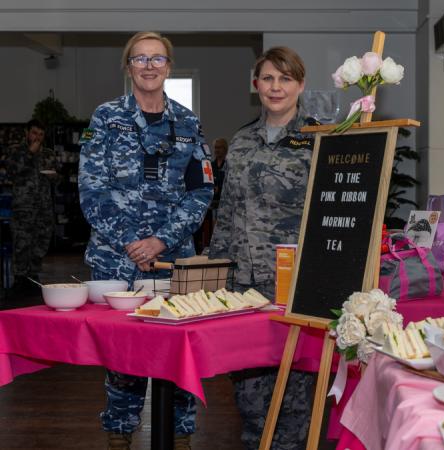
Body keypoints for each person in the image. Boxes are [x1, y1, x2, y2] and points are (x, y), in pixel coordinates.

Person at [78, 31, 213, 450]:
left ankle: (182, 436)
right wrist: (135, 241)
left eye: (158, 59)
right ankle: (119, 433)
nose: (150, 66)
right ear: (129, 66)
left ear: (169, 67)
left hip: (174, 261)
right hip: (116, 261)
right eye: (140, 59)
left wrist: (161, 240)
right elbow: (91, 190)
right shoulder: (106, 118)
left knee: (179, 349)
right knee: (123, 355)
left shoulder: (188, 123)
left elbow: (202, 190)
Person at [207, 46, 319, 450]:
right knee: (249, 390)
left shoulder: (318, 140)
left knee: (294, 390)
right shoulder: (240, 142)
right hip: (244, 287)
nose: (276, 87)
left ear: (300, 85)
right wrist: (216, 272)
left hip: (295, 286)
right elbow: (227, 212)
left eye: (285, 79)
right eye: (268, 78)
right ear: (256, 85)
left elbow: (328, 215)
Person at [5, 119, 57, 292]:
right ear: (27, 132)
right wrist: (29, 153)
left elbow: (59, 177)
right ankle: (20, 278)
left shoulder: (48, 153)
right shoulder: (15, 151)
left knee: (40, 242)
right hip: (23, 207)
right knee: (22, 242)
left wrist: (54, 177)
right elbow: (12, 171)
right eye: (34, 133)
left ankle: (33, 275)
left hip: (44, 207)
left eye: (41, 135)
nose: (37, 137)